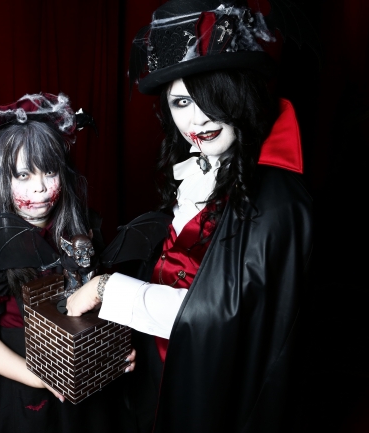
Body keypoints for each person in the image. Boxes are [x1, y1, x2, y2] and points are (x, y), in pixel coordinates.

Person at [67, 1, 313, 432]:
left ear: (241, 93)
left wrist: (107, 289)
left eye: (212, 96)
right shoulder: (200, 169)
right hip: (163, 369)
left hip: (213, 390)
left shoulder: (278, 201)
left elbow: (224, 319)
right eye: (181, 101)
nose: (196, 118)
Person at [0, 93, 135, 433]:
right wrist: (39, 377)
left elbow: (99, 301)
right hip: (30, 395)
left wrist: (116, 347)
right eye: (23, 175)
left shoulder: (84, 231)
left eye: (49, 172)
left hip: (91, 383)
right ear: (1, 180)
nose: (39, 187)